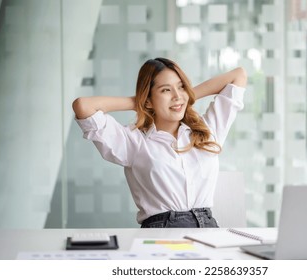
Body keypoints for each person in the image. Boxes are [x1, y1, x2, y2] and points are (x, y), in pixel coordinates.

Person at [72, 57, 247, 228]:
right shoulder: (134, 141)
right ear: (148, 99)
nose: (176, 96)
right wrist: (139, 102)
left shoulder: (207, 129)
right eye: (165, 90)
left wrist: (186, 97)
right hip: (163, 232)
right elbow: (83, 106)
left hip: (209, 229)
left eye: (181, 86)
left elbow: (238, 75)